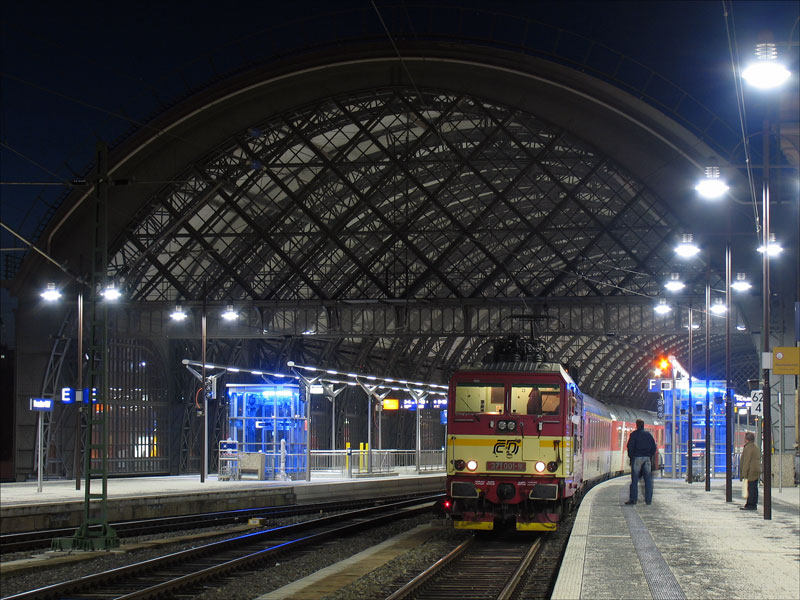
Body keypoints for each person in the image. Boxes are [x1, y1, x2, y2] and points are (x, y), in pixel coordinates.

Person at [625, 419, 657, 505]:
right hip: (647, 458)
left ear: (637, 425)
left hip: (637, 458)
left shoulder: (634, 435)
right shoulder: (648, 435)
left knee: (634, 480)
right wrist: (649, 455)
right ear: (643, 425)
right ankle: (648, 500)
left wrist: (631, 457)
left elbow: (630, 447)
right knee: (648, 480)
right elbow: (654, 448)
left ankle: (633, 499)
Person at [739, 431, 761, 511]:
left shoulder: (748, 448)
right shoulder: (755, 447)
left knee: (751, 488)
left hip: (750, 471)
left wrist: (743, 474)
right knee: (754, 488)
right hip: (756, 470)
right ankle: (753, 503)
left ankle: (750, 504)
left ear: (746, 439)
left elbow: (746, 461)